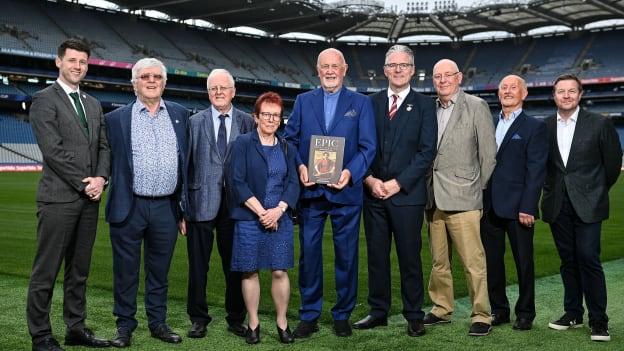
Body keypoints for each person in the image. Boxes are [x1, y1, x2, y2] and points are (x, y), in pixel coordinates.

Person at [284, 48, 376, 338]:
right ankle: (309, 314)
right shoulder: (302, 101)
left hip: (346, 193)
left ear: (344, 68)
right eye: (325, 66)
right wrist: (300, 166)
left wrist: (349, 172)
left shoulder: (361, 103)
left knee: (347, 257)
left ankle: (342, 314)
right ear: (318, 69)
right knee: (309, 256)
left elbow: (368, 147)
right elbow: (290, 139)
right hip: (312, 194)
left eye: (335, 66)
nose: (330, 71)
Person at [27, 38, 111, 351]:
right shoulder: (44, 99)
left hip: (89, 201)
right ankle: (41, 336)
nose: (78, 66)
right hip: (59, 199)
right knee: (46, 272)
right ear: (59, 62)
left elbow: (104, 146)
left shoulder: (92, 103)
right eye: (72, 60)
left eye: (83, 62)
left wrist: (102, 178)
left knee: (79, 271)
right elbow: (52, 151)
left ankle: (75, 328)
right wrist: (85, 182)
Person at [105, 58, 189, 347]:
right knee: (125, 272)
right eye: (144, 77)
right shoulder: (115, 119)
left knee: (159, 271)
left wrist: (183, 207)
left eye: (156, 76)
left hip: (166, 207)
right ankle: (124, 326)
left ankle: (158, 323)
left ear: (164, 82)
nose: (151, 81)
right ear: (134, 83)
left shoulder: (180, 115)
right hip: (129, 206)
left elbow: (186, 164)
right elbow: (105, 160)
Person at [353, 45, 436, 337]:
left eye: (404, 65)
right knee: (376, 256)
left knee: (409, 257)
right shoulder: (369, 103)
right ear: (385, 70)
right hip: (373, 194)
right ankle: (378, 311)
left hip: (407, 197)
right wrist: (369, 180)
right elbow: (359, 146)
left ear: (412, 70)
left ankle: (413, 314)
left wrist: (397, 183)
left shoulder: (425, 105)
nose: (398, 69)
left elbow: (427, 152)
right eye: (393, 65)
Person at [541, 74, 622, 342]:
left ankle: (599, 320)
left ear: (580, 94)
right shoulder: (544, 127)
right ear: (553, 95)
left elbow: (611, 165)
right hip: (557, 205)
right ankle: (573, 313)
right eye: (561, 91)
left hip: (589, 203)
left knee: (588, 258)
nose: (566, 95)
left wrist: (594, 191)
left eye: (571, 91)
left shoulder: (599, 124)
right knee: (568, 261)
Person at [424, 59, 497, 336]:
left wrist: (475, 192)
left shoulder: (476, 106)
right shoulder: (429, 108)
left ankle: (481, 314)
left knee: (473, 262)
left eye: (447, 75)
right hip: (434, 199)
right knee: (439, 262)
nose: (442, 80)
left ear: (459, 77)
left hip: (465, 199)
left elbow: (488, 157)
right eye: (437, 76)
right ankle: (441, 308)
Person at [226, 92, 300, 344]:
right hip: (249, 218)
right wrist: (262, 213)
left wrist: (278, 210)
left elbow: (293, 182)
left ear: (281, 119)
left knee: (280, 271)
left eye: (276, 115)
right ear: (256, 117)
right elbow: (237, 182)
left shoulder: (288, 146)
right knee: (250, 272)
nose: (271, 119)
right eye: (266, 114)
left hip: (280, 218)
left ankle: (282, 322)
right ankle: (254, 322)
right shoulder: (243, 143)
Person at [185, 68, 253, 339]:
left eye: (223, 88)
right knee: (198, 266)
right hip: (200, 201)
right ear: (208, 92)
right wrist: (183, 206)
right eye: (213, 88)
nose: (219, 92)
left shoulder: (247, 121)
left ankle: (236, 318)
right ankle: (198, 318)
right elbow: (186, 165)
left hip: (237, 206)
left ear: (233, 91)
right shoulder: (195, 121)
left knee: (234, 264)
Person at [480, 75, 548, 331]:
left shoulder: (534, 127)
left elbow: (536, 170)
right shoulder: (487, 123)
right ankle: (499, 310)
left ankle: (526, 312)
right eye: (503, 88)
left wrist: (528, 206)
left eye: (513, 88)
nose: (507, 92)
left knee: (524, 262)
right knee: (492, 262)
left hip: (519, 208)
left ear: (524, 93)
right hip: (489, 207)